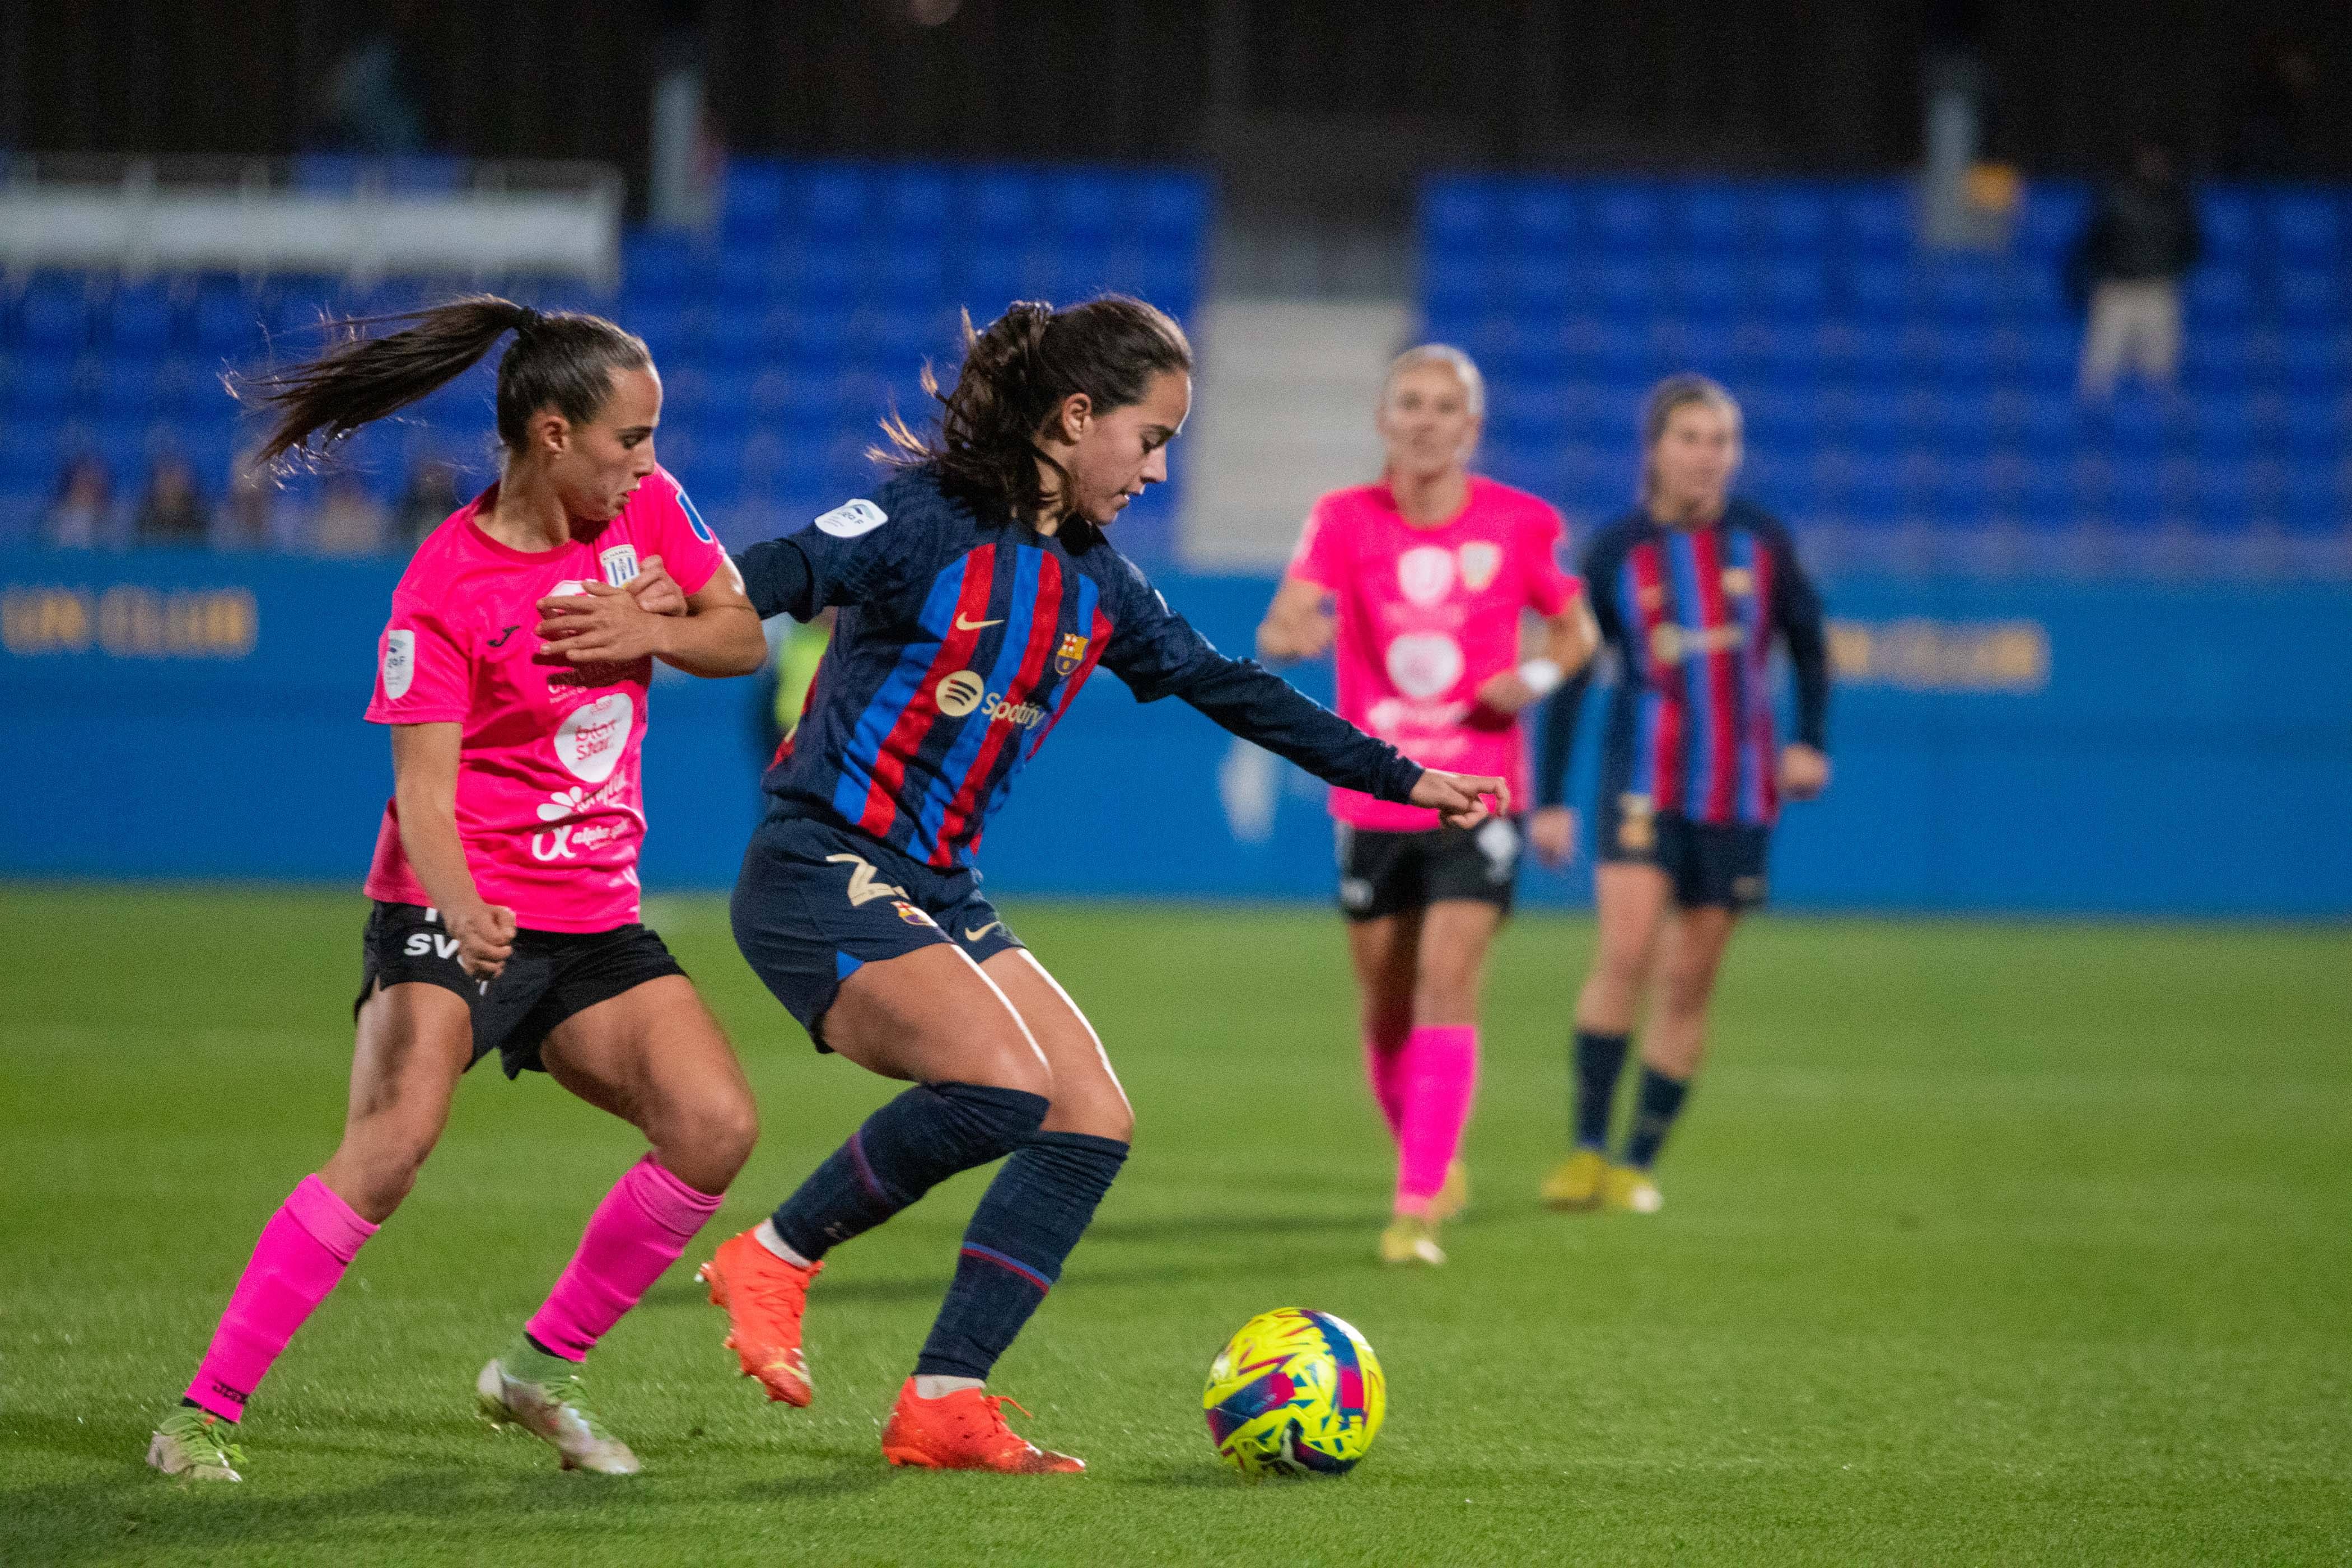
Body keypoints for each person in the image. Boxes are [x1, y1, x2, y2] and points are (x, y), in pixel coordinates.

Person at [637, 296, 1505, 1474]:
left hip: (938, 884)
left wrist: (1409, 775)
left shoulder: (1100, 583)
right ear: (1075, 417)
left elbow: (1236, 688)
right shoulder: (920, 521)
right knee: (1002, 1085)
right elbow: (780, 569)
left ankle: (945, 1396)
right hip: (815, 862)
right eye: (1150, 439)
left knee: (1090, 1118)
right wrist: (656, 609)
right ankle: (778, 1252)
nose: (1158, 469)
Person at [145, 296, 769, 1485]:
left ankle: (540, 1367)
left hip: (591, 918)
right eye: (626, 439)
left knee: (714, 1126)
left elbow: (737, 632)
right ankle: (201, 1413)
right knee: (390, 1145)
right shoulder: (446, 583)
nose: (646, 463)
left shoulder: (651, 513)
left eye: (651, 438)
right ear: (549, 434)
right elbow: (423, 794)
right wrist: (465, 903)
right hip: (452, 908)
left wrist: (649, 625)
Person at [1256, 344, 1594, 1267]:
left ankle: (1416, 1200)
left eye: (1446, 407)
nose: (1427, 419)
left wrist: (1528, 678)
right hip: (1376, 797)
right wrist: (1296, 632)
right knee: (1385, 1008)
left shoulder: (1522, 524)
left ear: (1471, 427)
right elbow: (1282, 623)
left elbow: (1578, 631)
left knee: (1450, 978)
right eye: (1410, 402)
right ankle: (1429, 1157)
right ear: (1384, 419)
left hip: (1481, 797)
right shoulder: (1342, 519)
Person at [1530, 375, 1830, 1216]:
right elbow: (1575, 674)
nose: (1708, 456)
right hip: (1642, 781)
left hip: (1738, 790)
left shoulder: (1764, 542)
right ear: (1657, 449)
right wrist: (1550, 797)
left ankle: (1638, 1161)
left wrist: (1811, 740)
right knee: (1625, 954)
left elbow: (1810, 646)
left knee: (1691, 977)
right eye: (1692, 438)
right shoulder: (1616, 549)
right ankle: (1586, 1149)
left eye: (1722, 441)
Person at [2072, 141, 2202, 400]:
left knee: (2162, 378)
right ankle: (2089, 433)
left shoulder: (2177, 202)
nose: (2152, 166)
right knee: (2098, 378)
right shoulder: (2113, 198)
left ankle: (2162, 436)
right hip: (2116, 291)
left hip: (2158, 289)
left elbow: (2192, 246)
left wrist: (2170, 270)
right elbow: (2092, 243)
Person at [132, 452, 211, 547]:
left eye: (176, 475)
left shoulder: (204, 521)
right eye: (166, 476)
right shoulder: (143, 523)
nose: (171, 484)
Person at [43, 452, 116, 549]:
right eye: (84, 483)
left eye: (93, 483)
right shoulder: (52, 523)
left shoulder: (112, 526)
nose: (88, 490)